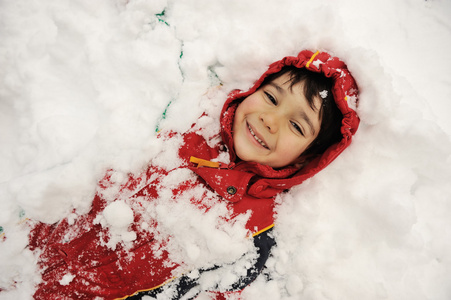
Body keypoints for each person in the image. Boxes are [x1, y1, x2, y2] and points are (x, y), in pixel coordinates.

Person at [27, 50, 359, 299]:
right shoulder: (187, 117)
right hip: (25, 245)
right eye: (271, 97)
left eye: (296, 125)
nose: (270, 119)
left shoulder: (252, 236)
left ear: (307, 158)